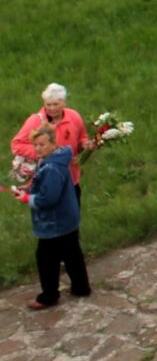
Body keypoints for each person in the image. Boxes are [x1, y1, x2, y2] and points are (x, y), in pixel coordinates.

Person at [14, 125, 91, 310]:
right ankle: (81, 287)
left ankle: (48, 296)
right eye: (36, 145)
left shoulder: (52, 167)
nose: (38, 148)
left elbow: (48, 198)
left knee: (45, 258)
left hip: (54, 222)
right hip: (68, 218)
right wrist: (30, 187)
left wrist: (27, 198)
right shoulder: (56, 159)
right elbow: (46, 185)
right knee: (72, 252)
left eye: (42, 144)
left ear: (52, 143)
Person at [10, 84, 93, 200]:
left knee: (72, 215)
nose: (52, 108)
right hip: (46, 178)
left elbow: (82, 137)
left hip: (71, 179)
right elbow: (16, 144)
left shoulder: (74, 117)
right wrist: (43, 152)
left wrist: (85, 144)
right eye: (48, 104)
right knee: (49, 214)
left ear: (64, 103)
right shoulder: (35, 121)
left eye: (56, 104)